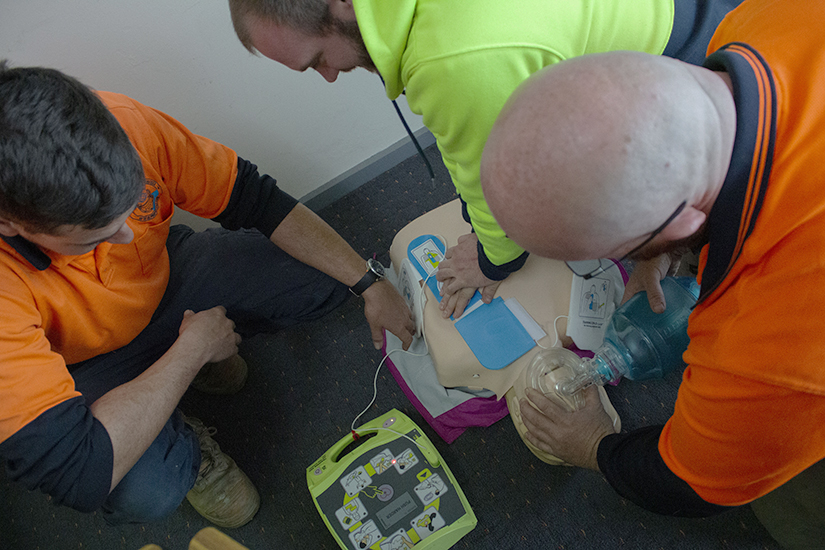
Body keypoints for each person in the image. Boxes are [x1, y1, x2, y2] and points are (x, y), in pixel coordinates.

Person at [0, 62, 414, 528]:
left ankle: (180, 374)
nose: (124, 236)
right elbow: (76, 470)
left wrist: (368, 282)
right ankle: (181, 434)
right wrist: (192, 350)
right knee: (143, 490)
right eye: (93, 237)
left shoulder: (123, 122)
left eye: (129, 209)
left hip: (167, 280)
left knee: (324, 274)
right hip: (79, 367)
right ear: (11, 224)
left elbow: (255, 198)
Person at [480, 1, 825, 547]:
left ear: (683, 218)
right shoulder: (758, 22)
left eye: (618, 250)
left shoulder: (764, 341)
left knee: (786, 504)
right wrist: (656, 247)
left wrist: (593, 443)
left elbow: (691, 485)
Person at [225, 0, 742, 319]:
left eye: (316, 60)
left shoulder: (450, 63)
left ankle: (697, 253)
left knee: (727, 234)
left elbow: (494, 181)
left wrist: (494, 260)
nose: (330, 76)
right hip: (691, 13)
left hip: (693, 61)